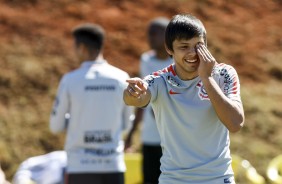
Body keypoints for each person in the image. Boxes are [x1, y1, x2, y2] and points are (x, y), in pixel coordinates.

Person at [123, 14, 245, 184]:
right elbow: (136, 99)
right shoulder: (160, 80)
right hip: (174, 180)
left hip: (218, 178)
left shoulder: (224, 74)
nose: (193, 53)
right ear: (169, 49)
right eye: (184, 46)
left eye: (198, 45)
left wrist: (207, 78)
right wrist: (132, 93)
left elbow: (235, 123)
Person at [50, 23, 133, 184]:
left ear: (82, 48)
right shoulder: (122, 78)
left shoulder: (70, 80)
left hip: (80, 166)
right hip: (113, 165)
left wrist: (74, 120)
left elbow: (55, 126)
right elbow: (126, 125)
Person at [124, 17, 172, 184]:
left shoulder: (177, 63)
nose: (149, 37)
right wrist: (131, 134)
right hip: (150, 137)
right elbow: (142, 100)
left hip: (172, 140)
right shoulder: (146, 60)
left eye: (153, 33)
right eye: (148, 34)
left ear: (166, 36)